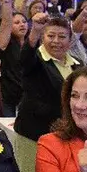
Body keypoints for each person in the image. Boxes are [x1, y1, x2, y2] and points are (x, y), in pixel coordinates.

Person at [15, 14, 79, 142]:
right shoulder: (36, 60)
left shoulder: (78, 64)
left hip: (66, 133)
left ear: (70, 40)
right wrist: (35, 31)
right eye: (51, 36)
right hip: (34, 134)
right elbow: (25, 58)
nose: (56, 41)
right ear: (43, 38)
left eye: (62, 37)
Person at [0, 0, 28, 117]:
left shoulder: (31, 44)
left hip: (27, 97)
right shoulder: (7, 44)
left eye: (24, 22)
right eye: (17, 22)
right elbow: (6, 22)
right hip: (9, 97)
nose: (22, 25)